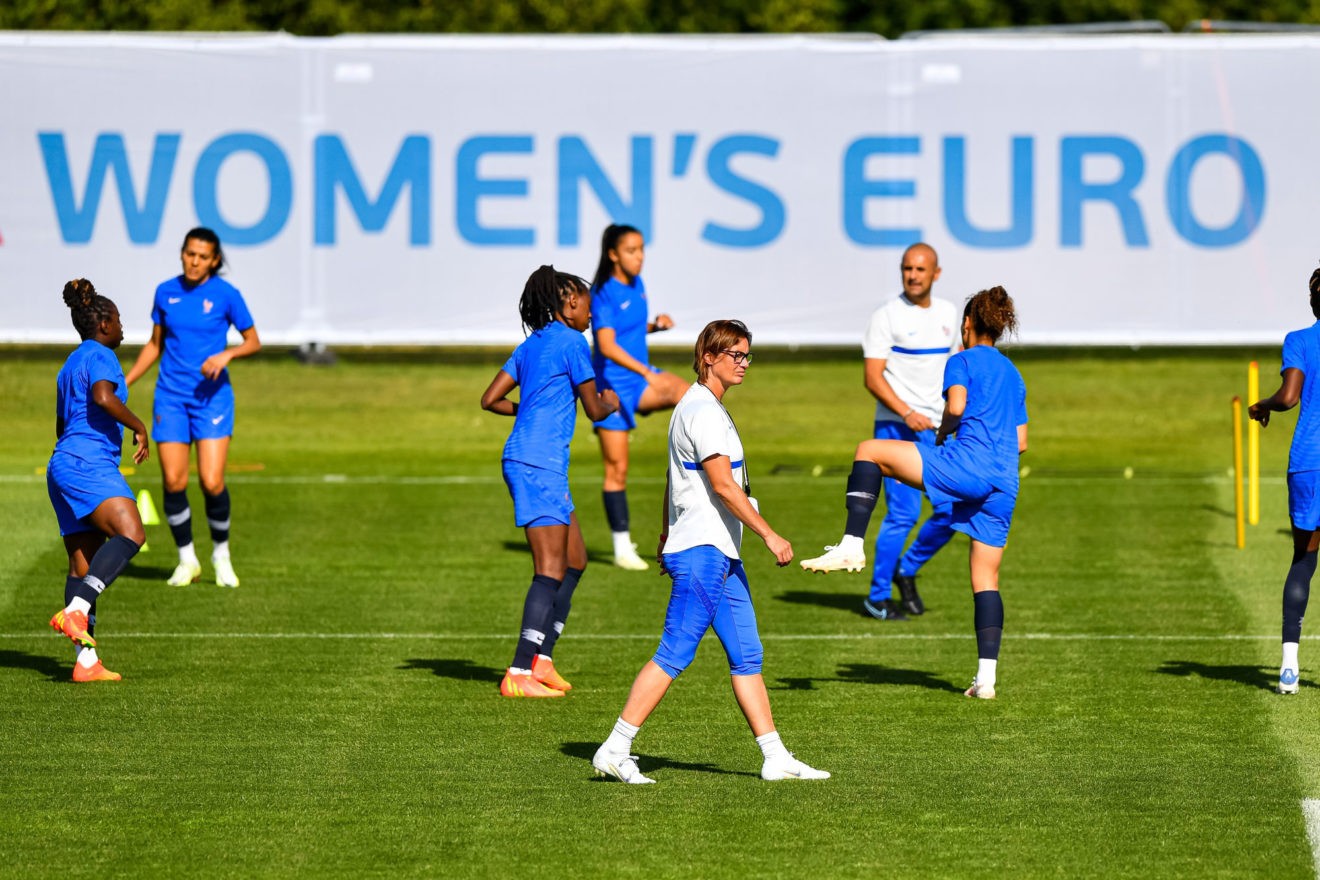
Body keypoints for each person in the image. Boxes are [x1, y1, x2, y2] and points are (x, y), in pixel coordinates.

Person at [592, 320, 830, 783]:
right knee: (674, 652)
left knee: (747, 654)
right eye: (735, 355)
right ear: (709, 358)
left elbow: (673, 478)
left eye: (747, 356)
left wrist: (665, 533)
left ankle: (774, 756)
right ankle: (615, 747)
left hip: (716, 551)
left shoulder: (704, 408)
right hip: (704, 551)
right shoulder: (701, 411)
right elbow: (722, 485)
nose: (744, 364)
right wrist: (770, 534)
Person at [800, 287, 1027, 699]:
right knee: (986, 579)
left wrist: (943, 434)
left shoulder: (960, 360)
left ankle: (852, 543)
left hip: (967, 467)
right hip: (1005, 482)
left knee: (869, 451)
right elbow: (1022, 440)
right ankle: (986, 680)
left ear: (967, 325)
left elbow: (955, 407)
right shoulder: (1014, 375)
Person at [482, 265, 620, 698]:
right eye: (588, 304)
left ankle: (542, 659)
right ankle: (518, 672)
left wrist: (527, 410)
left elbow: (490, 400)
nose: (592, 314)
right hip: (537, 463)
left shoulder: (530, 346)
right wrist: (612, 400)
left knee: (575, 560)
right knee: (549, 571)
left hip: (534, 460)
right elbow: (595, 409)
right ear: (570, 302)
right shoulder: (572, 342)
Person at [804, 243, 959, 622]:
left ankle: (905, 570)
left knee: (953, 510)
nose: (913, 275)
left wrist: (954, 417)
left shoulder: (949, 313)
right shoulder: (886, 316)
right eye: (907, 268)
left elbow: (955, 367)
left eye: (921, 269)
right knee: (903, 516)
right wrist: (907, 413)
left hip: (938, 429)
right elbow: (872, 377)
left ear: (936, 273)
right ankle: (877, 597)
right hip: (896, 427)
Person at [126, 227, 260, 588]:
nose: (194, 261)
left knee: (212, 481)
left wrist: (227, 354)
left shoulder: (226, 295)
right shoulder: (165, 292)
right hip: (170, 397)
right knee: (173, 480)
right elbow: (155, 345)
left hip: (212, 399)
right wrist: (126, 382)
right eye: (190, 254)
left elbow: (253, 341)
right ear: (182, 253)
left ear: (214, 260)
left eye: (202, 256)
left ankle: (221, 555)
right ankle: (187, 560)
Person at [47, 279, 150, 683]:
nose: (123, 328)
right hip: (89, 463)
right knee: (132, 532)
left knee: (82, 562)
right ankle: (78, 609)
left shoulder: (68, 365)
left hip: (62, 466)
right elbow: (104, 398)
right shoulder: (103, 356)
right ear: (104, 323)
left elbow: (61, 424)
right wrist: (138, 426)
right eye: (120, 320)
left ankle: (86, 662)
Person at [588, 224, 689, 571]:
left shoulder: (638, 284)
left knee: (688, 395)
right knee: (618, 469)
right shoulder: (602, 292)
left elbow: (627, 329)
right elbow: (605, 344)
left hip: (638, 383)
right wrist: (647, 372)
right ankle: (621, 547)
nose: (639, 256)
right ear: (613, 254)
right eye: (631, 250)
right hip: (610, 391)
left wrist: (654, 327)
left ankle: (702, 472)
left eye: (642, 248)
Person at [1248, 266, 1320, 695]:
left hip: (1309, 464)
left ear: (1312, 300)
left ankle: (1288, 668)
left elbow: (1290, 397)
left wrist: (1263, 404)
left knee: (1303, 561)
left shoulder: (1299, 340)